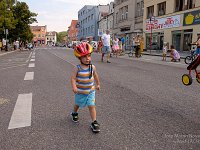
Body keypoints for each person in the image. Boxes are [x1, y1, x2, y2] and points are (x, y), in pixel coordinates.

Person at [71, 42, 101, 133]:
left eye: (89, 56)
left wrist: (98, 84)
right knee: (77, 104)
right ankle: (74, 112)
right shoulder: (77, 68)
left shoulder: (93, 67)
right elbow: (73, 78)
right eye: (84, 57)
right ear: (80, 58)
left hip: (90, 91)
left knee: (91, 106)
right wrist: (74, 86)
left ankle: (94, 122)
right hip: (80, 91)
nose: (87, 58)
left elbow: (96, 76)